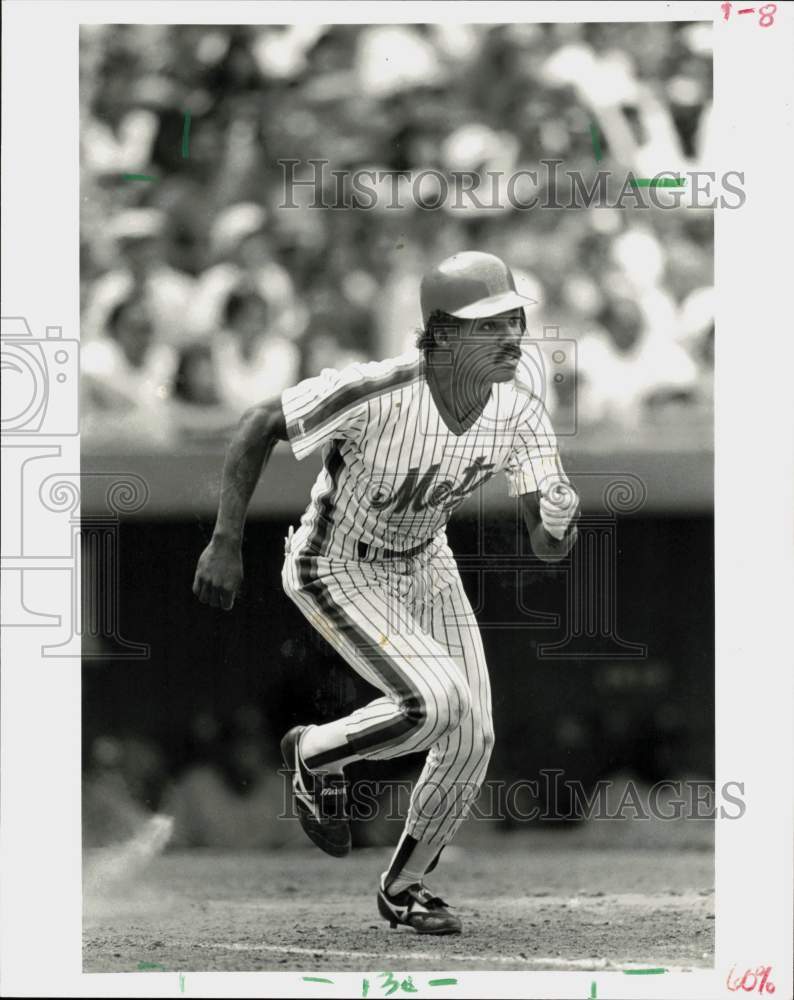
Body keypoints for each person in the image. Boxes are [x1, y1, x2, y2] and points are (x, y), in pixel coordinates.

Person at [193, 251, 580, 935]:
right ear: (441, 333)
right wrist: (226, 540)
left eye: (515, 319)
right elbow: (257, 425)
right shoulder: (379, 388)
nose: (513, 335)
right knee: (435, 703)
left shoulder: (519, 411)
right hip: (337, 561)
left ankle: (403, 887)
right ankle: (312, 754)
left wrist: (559, 523)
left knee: (473, 735)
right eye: (490, 325)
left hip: (426, 560)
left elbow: (546, 545)